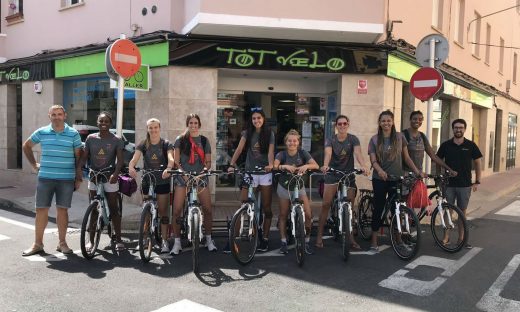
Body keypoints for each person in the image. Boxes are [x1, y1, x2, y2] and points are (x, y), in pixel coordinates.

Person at [21, 105, 83, 256]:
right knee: (41, 210)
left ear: (65, 115)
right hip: (45, 177)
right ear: (49, 116)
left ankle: (62, 243)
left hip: (66, 179)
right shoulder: (42, 132)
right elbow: (26, 146)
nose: (56, 117)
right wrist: (34, 164)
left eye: (59, 114)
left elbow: (78, 156)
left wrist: (78, 177)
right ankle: (37, 244)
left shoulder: (73, 134)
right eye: (53, 114)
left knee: (62, 210)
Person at [368, 110, 425, 252]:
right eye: (383, 121)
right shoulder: (374, 139)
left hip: (397, 179)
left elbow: (406, 158)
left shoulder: (400, 138)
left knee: (397, 209)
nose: (386, 123)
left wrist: (417, 171)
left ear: (393, 122)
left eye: (388, 120)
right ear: (379, 123)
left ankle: (398, 237)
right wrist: (380, 171)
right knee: (379, 208)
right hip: (380, 179)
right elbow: (373, 161)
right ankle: (374, 239)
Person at [315, 115, 369, 249]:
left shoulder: (353, 139)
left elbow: (358, 153)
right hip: (333, 174)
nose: (342, 126)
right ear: (336, 126)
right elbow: (328, 154)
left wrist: (363, 165)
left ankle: (351, 239)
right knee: (326, 204)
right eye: (340, 124)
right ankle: (319, 236)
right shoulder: (331, 139)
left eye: (345, 123)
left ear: (348, 124)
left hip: (348, 174)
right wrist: (326, 165)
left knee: (349, 207)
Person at [228, 107, 275, 252]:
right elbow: (239, 149)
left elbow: (271, 152)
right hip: (250, 173)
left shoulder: (269, 133)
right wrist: (231, 165)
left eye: (259, 118)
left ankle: (265, 239)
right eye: (254, 118)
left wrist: (271, 165)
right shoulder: (247, 133)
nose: (256, 121)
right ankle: (232, 239)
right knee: (243, 204)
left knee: (267, 208)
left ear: (263, 119)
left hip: (265, 174)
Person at [169, 113, 215, 254]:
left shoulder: (204, 141)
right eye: (191, 123)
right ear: (187, 124)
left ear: (199, 125)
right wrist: (184, 175)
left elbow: (208, 163)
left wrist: (201, 173)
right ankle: (177, 243)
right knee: (176, 210)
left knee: (207, 209)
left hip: (200, 177)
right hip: (183, 178)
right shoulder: (180, 140)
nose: (193, 125)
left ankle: (208, 239)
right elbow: (176, 162)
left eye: (196, 123)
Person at [80, 112, 125, 250]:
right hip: (94, 176)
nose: (103, 123)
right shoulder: (90, 138)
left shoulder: (116, 139)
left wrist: (116, 174)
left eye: (106, 121)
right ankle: (91, 241)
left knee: (113, 207)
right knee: (93, 209)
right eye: (101, 121)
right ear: (97, 123)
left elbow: (120, 160)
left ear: (110, 123)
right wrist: (79, 170)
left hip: (109, 176)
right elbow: (84, 157)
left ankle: (118, 239)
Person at [128, 118, 174, 253]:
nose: (153, 130)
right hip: (147, 181)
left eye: (155, 127)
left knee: (164, 212)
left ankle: (165, 241)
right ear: (147, 129)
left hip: (163, 181)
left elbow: (171, 158)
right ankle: (144, 239)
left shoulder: (166, 144)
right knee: (146, 212)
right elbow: (134, 159)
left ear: (159, 128)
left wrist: (169, 167)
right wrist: (131, 167)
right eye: (150, 128)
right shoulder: (143, 144)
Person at [436, 118, 482, 249]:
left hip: (465, 185)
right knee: (448, 211)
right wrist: (440, 177)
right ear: (453, 129)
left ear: (464, 129)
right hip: (448, 185)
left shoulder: (471, 145)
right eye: (456, 127)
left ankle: (462, 239)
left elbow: (478, 162)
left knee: (462, 212)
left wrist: (477, 181)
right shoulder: (445, 145)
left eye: (461, 127)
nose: (458, 130)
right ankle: (446, 237)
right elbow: (438, 161)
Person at [273, 129, 319, 255]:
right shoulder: (281, 154)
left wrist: (306, 166)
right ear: (286, 142)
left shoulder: (303, 153)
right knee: (283, 214)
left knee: (308, 215)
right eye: (289, 141)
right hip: (284, 187)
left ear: (298, 142)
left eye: (294, 141)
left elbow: (316, 165)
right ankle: (283, 242)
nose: (292, 143)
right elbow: (274, 165)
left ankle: (307, 241)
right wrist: (284, 166)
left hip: (299, 186)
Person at [403, 110, 456, 175]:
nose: (417, 121)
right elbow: (406, 158)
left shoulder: (422, 136)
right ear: (410, 120)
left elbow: (433, 156)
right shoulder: (403, 135)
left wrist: (449, 169)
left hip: (419, 174)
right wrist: (417, 172)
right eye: (415, 119)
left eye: (420, 119)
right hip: (405, 174)